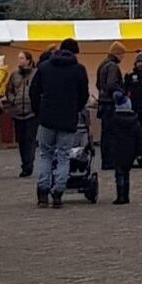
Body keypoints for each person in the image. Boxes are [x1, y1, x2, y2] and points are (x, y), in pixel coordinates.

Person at [30, 38, 89, 208]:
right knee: (64, 156)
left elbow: (34, 91)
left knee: (45, 155)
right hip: (68, 119)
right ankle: (58, 193)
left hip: (47, 118)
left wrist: (38, 112)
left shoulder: (45, 67)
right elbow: (83, 95)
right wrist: (75, 109)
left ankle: (43, 191)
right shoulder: (78, 70)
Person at [5, 51, 39, 177]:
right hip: (18, 111)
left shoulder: (36, 74)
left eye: (22, 58)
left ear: (28, 60)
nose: (19, 60)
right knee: (21, 140)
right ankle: (24, 163)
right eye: (19, 58)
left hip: (32, 112)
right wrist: (12, 99)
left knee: (30, 139)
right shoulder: (14, 75)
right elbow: (8, 90)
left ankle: (28, 165)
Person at [96, 41, 126, 170]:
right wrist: (122, 92)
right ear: (118, 53)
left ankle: (105, 160)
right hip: (110, 104)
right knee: (111, 134)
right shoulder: (113, 66)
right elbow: (112, 84)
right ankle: (110, 161)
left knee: (105, 134)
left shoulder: (102, 64)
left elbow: (99, 84)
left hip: (103, 103)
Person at [111, 91, 142, 205]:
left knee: (119, 173)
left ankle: (120, 195)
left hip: (117, 150)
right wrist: (139, 152)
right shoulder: (135, 122)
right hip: (130, 151)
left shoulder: (114, 121)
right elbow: (140, 138)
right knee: (126, 173)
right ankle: (126, 195)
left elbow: (109, 137)